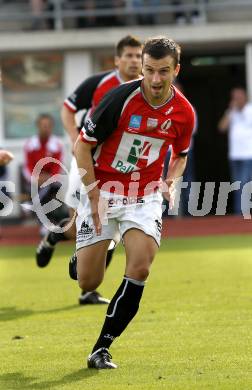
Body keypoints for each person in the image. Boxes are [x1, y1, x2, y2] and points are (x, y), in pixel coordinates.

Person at [73, 36, 195, 368]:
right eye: (150, 71)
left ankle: (101, 348)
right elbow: (82, 148)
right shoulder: (118, 99)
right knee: (88, 281)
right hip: (103, 190)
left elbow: (181, 156)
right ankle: (101, 246)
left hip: (145, 195)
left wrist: (169, 181)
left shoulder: (184, 112)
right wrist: (94, 194)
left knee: (140, 266)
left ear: (176, 70)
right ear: (141, 68)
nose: (156, 80)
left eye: (164, 72)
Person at [35, 35, 143, 305]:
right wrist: (74, 138)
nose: (134, 61)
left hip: (119, 166)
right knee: (80, 225)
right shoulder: (100, 83)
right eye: (128, 55)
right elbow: (68, 108)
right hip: (86, 158)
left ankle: (88, 291)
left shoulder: (147, 89)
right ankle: (55, 236)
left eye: (138, 56)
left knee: (112, 229)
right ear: (117, 60)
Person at [23, 113, 64, 235]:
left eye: (48, 125)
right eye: (43, 125)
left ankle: (32, 206)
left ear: (51, 127)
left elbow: (58, 165)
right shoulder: (30, 144)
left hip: (52, 180)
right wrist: (35, 178)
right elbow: (27, 166)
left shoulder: (57, 144)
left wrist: (49, 178)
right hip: (34, 181)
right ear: (38, 126)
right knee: (41, 188)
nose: (45, 128)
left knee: (49, 187)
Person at [218, 87, 252, 215]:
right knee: (238, 185)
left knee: (244, 183)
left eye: (238, 97)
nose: (236, 100)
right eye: (234, 98)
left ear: (245, 98)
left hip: (248, 154)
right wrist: (230, 111)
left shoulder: (250, 110)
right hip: (235, 155)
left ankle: (242, 212)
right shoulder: (231, 112)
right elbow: (221, 128)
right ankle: (240, 213)